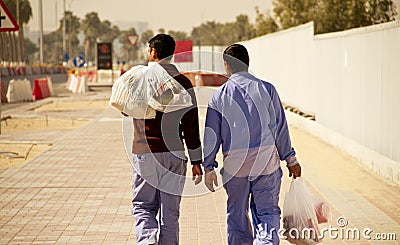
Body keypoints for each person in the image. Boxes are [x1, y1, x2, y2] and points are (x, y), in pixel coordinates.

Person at [202, 44, 301, 244]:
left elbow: (212, 134)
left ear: (226, 66)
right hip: (266, 163)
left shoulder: (219, 95)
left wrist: (208, 166)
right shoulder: (267, 89)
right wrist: (291, 159)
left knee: (237, 216)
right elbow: (280, 128)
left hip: (235, 165)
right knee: (267, 212)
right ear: (248, 63)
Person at [130, 34, 203, 245]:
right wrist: (196, 161)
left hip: (145, 152)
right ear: (172, 54)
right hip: (174, 155)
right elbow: (191, 124)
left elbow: (126, 110)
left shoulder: (139, 78)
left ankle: (147, 242)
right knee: (170, 213)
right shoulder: (182, 81)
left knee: (144, 206)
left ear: (153, 52)